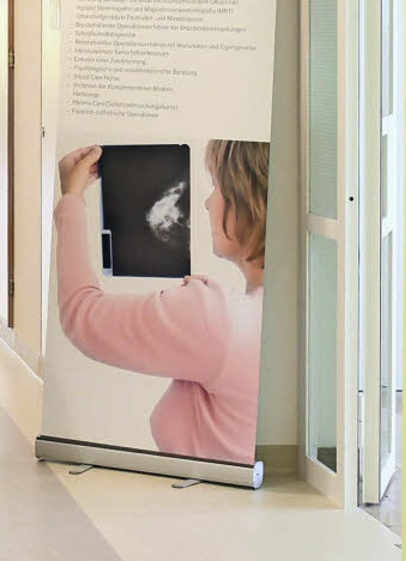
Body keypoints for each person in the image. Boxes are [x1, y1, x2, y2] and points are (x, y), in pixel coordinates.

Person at [54, 140, 270, 465]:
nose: (209, 202)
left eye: (217, 185)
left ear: (250, 199)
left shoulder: (217, 317)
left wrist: (71, 200)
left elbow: (81, 315)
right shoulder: (273, 315)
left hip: (203, 508)